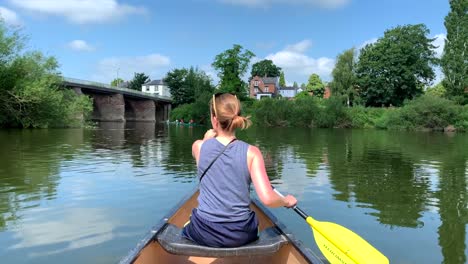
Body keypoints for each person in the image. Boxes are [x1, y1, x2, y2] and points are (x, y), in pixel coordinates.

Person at [182, 93, 297, 248]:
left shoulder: (198, 146)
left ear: (214, 119)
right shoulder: (252, 152)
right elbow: (268, 199)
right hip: (241, 234)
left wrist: (207, 137)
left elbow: (204, 157)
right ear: (237, 118)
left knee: (187, 226)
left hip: (205, 232)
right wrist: (286, 200)